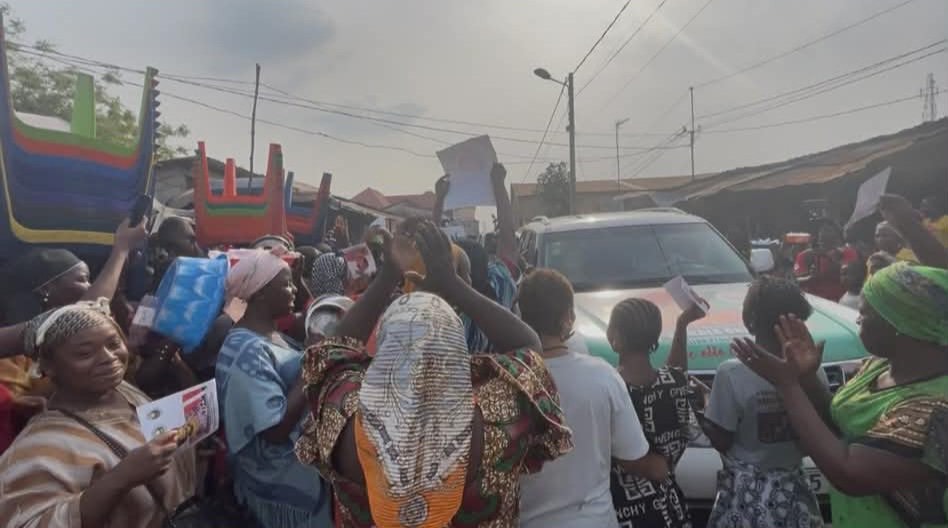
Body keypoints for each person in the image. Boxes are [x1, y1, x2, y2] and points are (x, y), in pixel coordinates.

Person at [295, 221, 573, 528]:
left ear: (384, 357)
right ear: (456, 355)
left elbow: (332, 351)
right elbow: (528, 347)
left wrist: (389, 274)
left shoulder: (346, 424)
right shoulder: (494, 419)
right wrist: (452, 285)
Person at [733, 262, 948, 528]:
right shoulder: (878, 367)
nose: (857, 320)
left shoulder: (939, 406)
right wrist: (806, 378)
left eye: (865, 314)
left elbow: (850, 474)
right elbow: (841, 429)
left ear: (899, 323)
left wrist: (788, 386)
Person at [0, 299, 195, 527]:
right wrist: (122, 477)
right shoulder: (38, 450)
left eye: (113, 344)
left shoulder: (124, 391)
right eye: (85, 353)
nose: (109, 358)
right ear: (48, 366)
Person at [516, 269, 669, 528]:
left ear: (521, 315)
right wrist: (662, 467)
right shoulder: (602, 376)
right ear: (569, 317)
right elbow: (633, 457)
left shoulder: (507, 378)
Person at [215, 249, 331, 528]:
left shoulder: (272, 336)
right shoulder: (246, 351)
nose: (294, 290)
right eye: (287, 284)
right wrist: (313, 365)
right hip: (278, 487)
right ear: (261, 293)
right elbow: (275, 430)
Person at [702, 277, 827, 528]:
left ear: (750, 319)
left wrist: (705, 407)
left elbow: (722, 440)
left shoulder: (731, 373)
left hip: (745, 497)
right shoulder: (812, 373)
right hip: (795, 493)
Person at [609, 297, 706, 528]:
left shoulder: (608, 389)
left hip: (622, 512)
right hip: (670, 510)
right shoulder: (674, 383)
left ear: (614, 336)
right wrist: (682, 324)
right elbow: (677, 372)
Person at [794, 219, 859, 301]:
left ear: (837, 234)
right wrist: (810, 277)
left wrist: (831, 259)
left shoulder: (848, 253)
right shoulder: (806, 255)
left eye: (828, 229)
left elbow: (854, 277)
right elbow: (796, 281)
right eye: (821, 229)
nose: (823, 232)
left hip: (840, 302)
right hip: (815, 302)